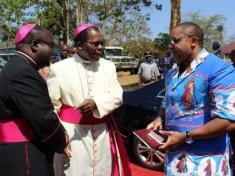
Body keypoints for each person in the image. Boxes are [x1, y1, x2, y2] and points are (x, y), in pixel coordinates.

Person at [147, 22, 235, 175]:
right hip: (174, 161)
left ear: (193, 41)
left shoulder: (219, 69)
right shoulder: (173, 72)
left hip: (205, 162)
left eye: (176, 40)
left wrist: (185, 136)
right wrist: (159, 118)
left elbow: (229, 121)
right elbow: (167, 102)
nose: (171, 45)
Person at [47, 23, 131, 176]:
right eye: (95, 44)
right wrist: (60, 137)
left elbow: (117, 95)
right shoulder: (58, 68)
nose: (100, 47)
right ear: (79, 45)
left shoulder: (108, 66)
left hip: (102, 132)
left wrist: (96, 103)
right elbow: (52, 105)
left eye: (101, 43)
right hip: (72, 134)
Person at [0, 23, 69, 176]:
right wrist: (62, 139)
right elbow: (44, 119)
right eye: (51, 46)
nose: (53, 51)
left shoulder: (18, 65)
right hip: (24, 151)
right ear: (35, 45)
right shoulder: (23, 72)